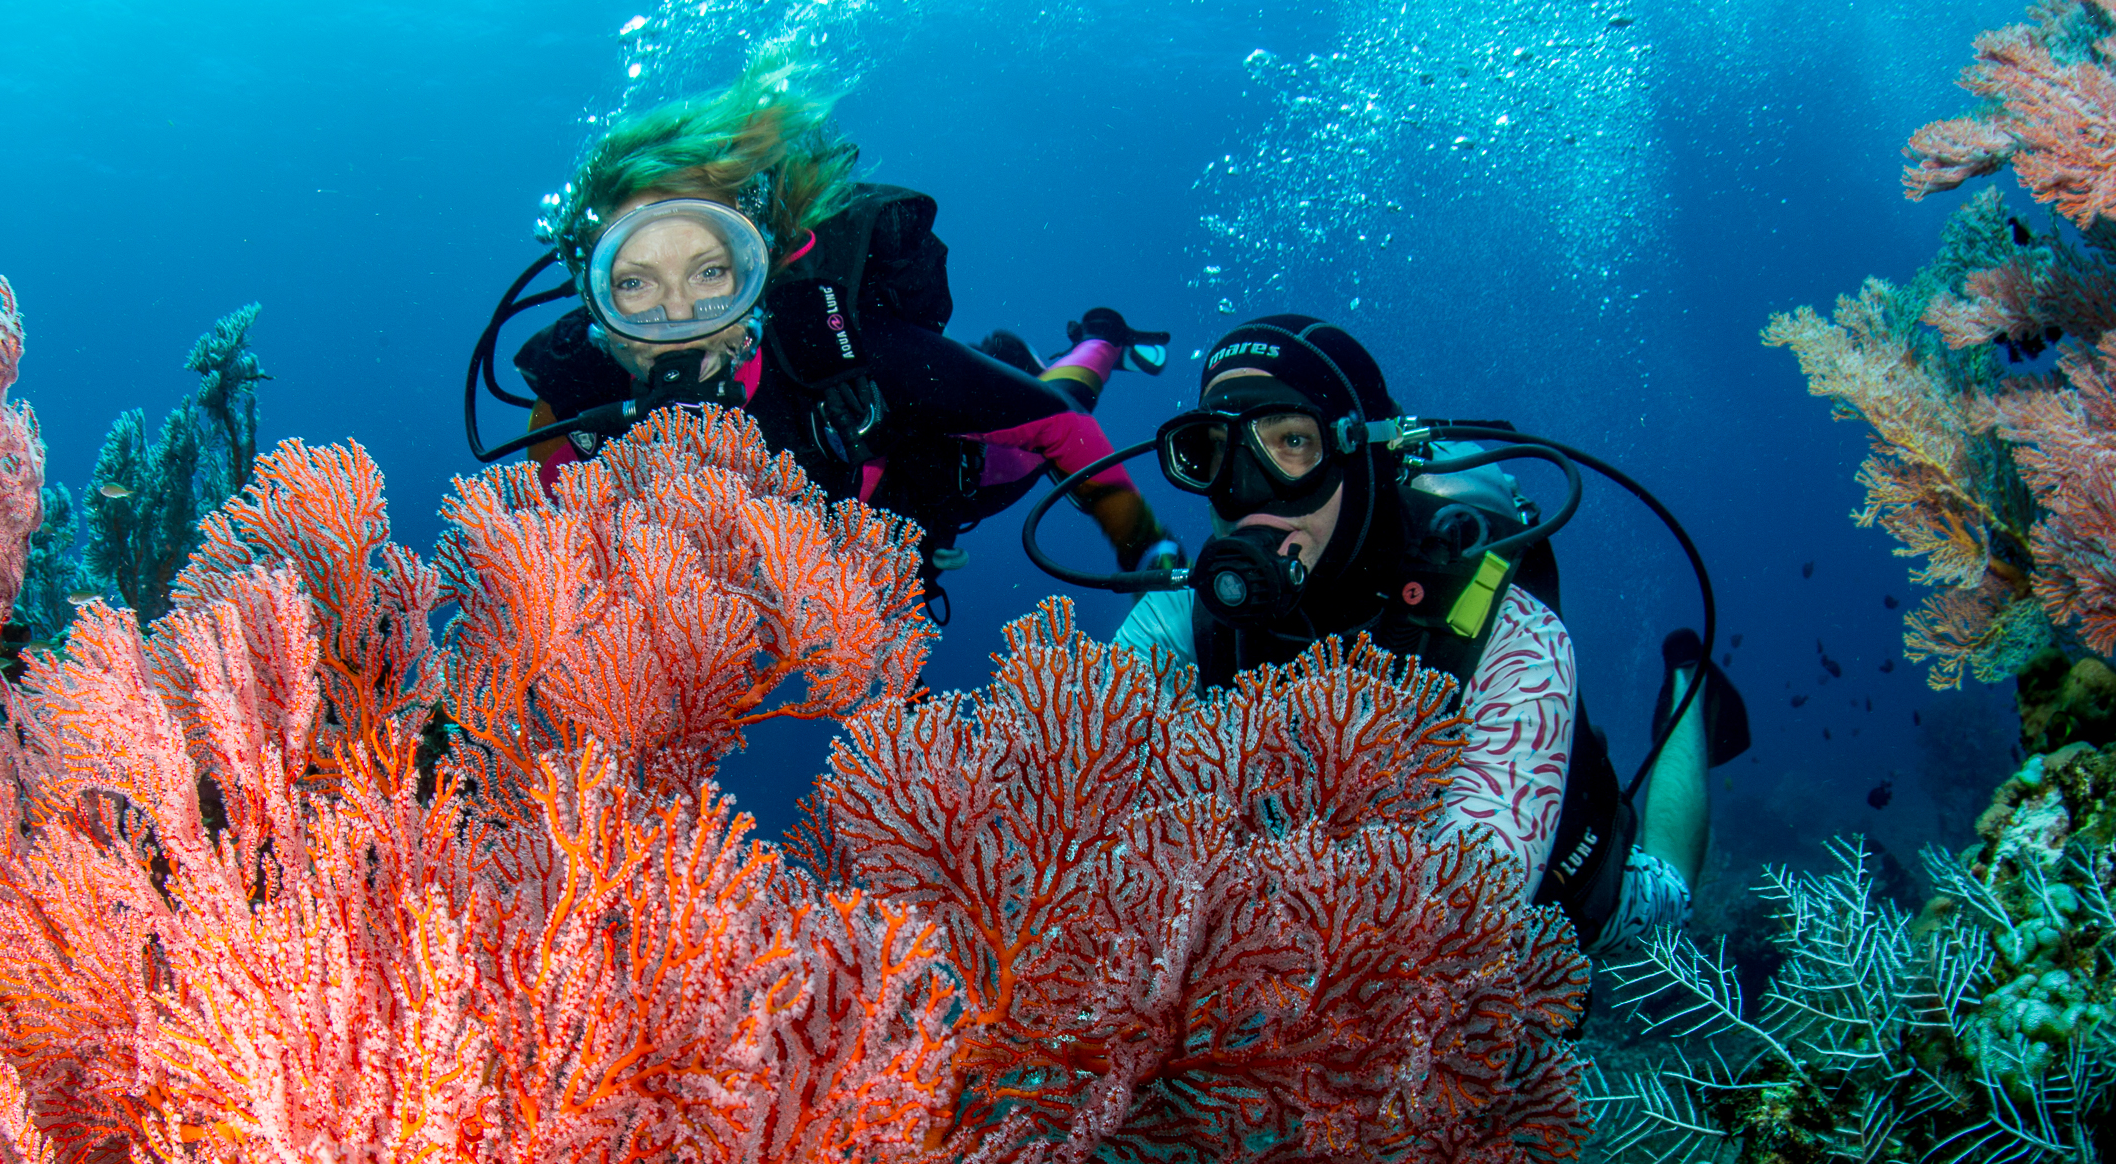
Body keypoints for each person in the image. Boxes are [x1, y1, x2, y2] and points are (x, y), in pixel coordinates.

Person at [1113, 314, 1748, 956]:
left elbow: (1462, 922)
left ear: (1362, 452)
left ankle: (1688, 686)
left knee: (1669, 900)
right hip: (1319, 945)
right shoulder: (1184, 619)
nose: (1245, 489)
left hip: (1565, 895)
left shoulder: (1508, 628)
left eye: (1292, 441)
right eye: (1214, 450)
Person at [513, 56, 1178, 611]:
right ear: (593, 299)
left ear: (759, 269)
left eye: (711, 271)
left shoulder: (834, 352)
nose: (680, 315)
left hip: (958, 461)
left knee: (1060, 397)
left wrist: (1143, 545)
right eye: (634, 284)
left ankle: (1101, 340)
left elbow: (1059, 428)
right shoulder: (571, 403)